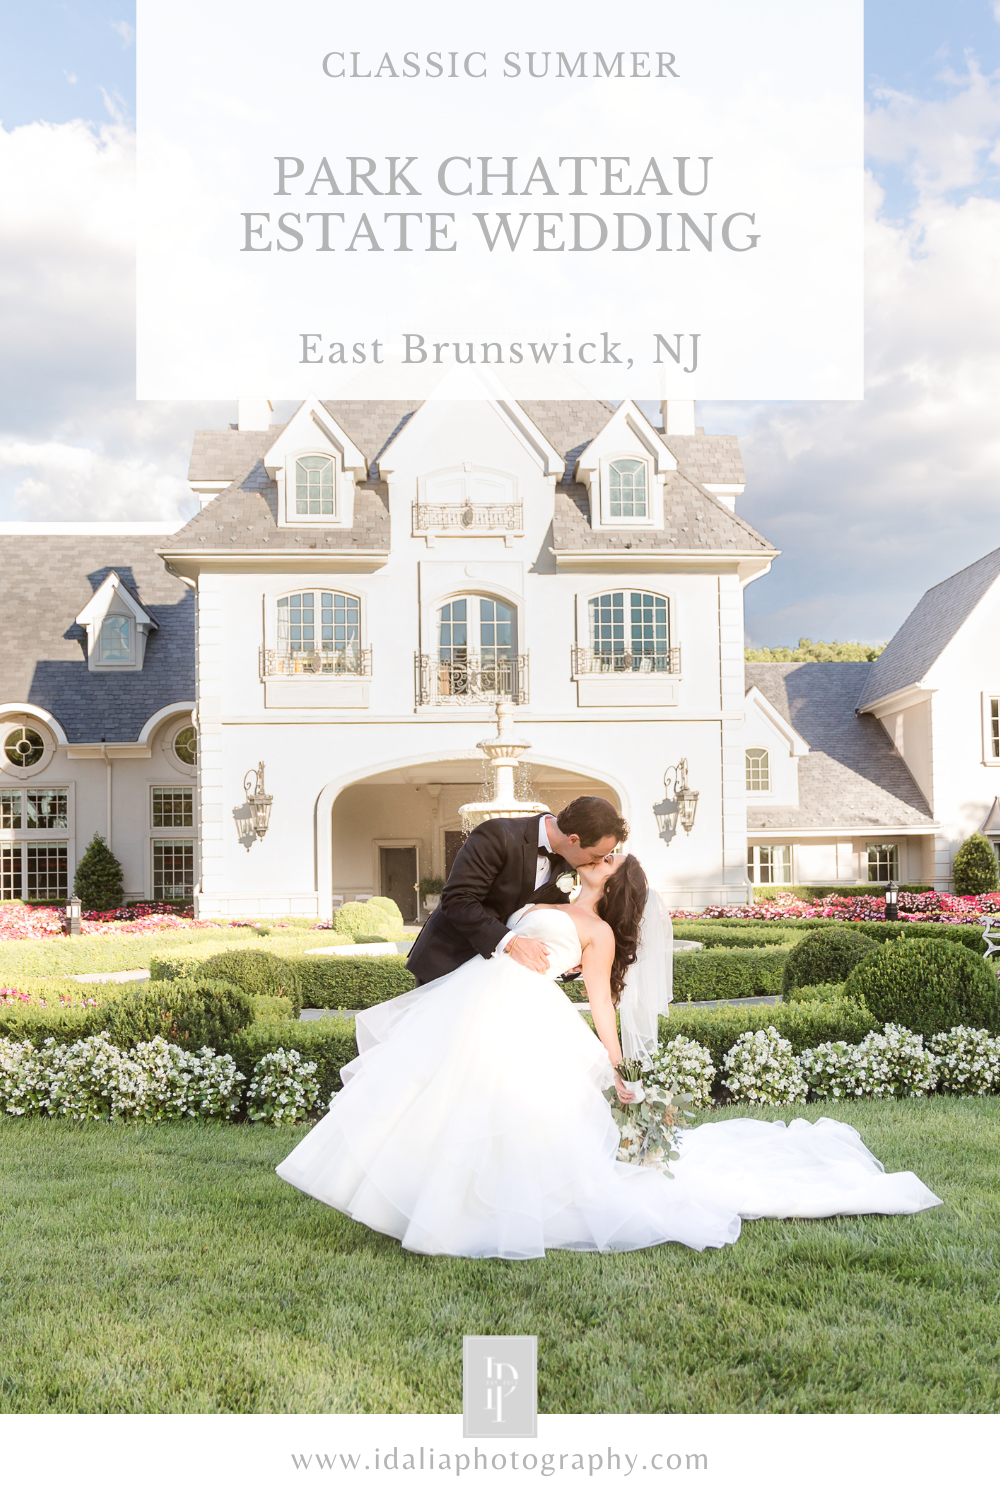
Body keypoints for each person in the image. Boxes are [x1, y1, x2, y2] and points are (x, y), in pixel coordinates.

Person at [276, 853, 942, 1258]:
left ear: (616, 883)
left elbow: (602, 1003)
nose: (593, 865)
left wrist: (622, 1075)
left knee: (500, 1110)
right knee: (437, 1096)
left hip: (522, 1015)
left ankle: (468, 1212)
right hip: (475, 999)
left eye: (605, 865)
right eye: (595, 859)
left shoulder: (597, 932)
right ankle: (422, 1200)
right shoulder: (545, 898)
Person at [405, 796, 627, 987]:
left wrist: (569, 959)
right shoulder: (497, 834)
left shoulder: (570, 860)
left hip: (499, 979)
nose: (596, 863)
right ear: (573, 840)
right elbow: (458, 900)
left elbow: (546, 918)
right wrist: (512, 943)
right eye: (597, 856)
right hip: (449, 960)